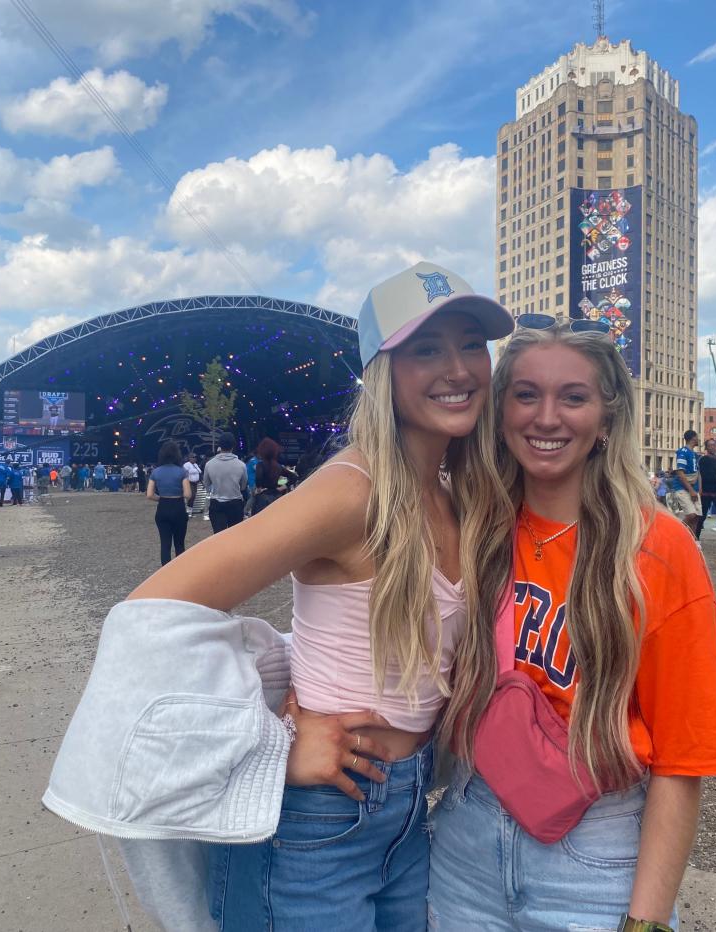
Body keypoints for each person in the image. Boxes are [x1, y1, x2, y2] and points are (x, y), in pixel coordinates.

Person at [127, 261, 513, 930]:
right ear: (382, 373)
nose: (458, 368)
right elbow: (151, 613)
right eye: (427, 349)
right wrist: (274, 743)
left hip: (408, 809)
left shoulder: (458, 494)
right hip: (318, 824)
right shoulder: (351, 491)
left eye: (471, 344)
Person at [431, 319, 716, 931]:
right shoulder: (471, 531)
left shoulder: (657, 548)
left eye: (573, 397)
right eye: (526, 394)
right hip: (465, 839)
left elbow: (683, 757)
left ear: (606, 420)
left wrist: (646, 921)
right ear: (500, 413)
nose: (546, 417)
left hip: (595, 859)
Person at [147, 441, 193, 565]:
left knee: (165, 544)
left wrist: (161, 498)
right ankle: (180, 571)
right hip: (178, 508)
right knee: (179, 544)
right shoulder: (182, 471)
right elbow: (188, 494)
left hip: (163, 508)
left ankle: (165, 573)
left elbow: (149, 494)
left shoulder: (156, 472)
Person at [203, 434, 249, 533]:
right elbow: (243, 485)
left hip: (216, 504)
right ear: (233, 446)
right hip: (235, 503)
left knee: (219, 535)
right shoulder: (241, 465)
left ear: (219, 446)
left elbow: (206, 484)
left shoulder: (209, 464)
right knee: (235, 535)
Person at [666, 429, 700, 535]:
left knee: (697, 517)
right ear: (693, 438)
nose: (698, 439)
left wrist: (699, 489)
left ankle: (693, 540)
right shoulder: (682, 452)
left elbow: (698, 472)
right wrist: (691, 491)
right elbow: (680, 473)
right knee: (691, 515)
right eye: (697, 437)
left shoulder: (694, 454)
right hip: (682, 487)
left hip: (694, 488)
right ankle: (674, 533)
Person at [252, 437, 297, 516]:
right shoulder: (278, 467)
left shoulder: (260, 465)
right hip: (277, 497)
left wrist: (259, 488)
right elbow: (294, 477)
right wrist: (284, 487)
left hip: (263, 498)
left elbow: (258, 479)